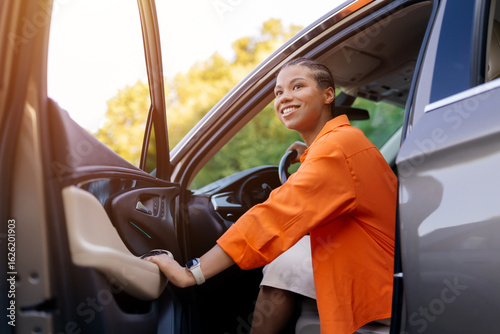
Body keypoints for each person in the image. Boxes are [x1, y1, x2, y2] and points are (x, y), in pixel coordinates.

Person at [145, 58, 397, 334]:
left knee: (284, 261)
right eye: (278, 92)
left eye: (297, 86)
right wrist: (309, 152)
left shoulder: (336, 148)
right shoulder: (342, 143)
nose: (285, 97)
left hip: (382, 287)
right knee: (289, 260)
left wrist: (192, 273)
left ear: (328, 94)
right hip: (386, 268)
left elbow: (273, 216)